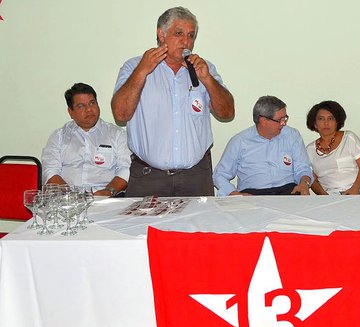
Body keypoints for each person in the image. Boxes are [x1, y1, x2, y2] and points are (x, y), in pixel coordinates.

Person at [111, 6, 234, 197]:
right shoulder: (135, 66)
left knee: (200, 227)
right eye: (179, 33)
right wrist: (142, 71)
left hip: (196, 177)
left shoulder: (204, 68)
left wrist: (208, 80)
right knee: (141, 228)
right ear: (161, 34)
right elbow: (120, 115)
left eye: (191, 35)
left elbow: (227, 113)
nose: (186, 42)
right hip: (148, 177)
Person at [41, 83, 130, 197]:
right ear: (70, 112)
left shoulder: (117, 135)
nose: (89, 109)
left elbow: (125, 169)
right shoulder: (58, 137)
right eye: (81, 106)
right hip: (67, 199)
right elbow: (50, 171)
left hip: (107, 198)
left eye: (92, 103)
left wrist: (108, 191)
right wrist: (72, 196)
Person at [213, 96, 313, 196]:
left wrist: (304, 183)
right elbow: (220, 175)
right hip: (253, 194)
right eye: (279, 120)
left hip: (288, 191)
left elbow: (303, 168)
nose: (284, 123)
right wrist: (234, 193)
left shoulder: (292, 135)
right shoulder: (240, 141)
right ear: (263, 121)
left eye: (285, 118)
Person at [305, 100, 360, 195]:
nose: (326, 123)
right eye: (321, 119)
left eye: (330, 118)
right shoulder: (309, 150)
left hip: (358, 191)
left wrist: (355, 188)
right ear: (315, 124)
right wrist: (324, 196)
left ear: (337, 122)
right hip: (330, 195)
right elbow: (312, 179)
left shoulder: (349, 138)